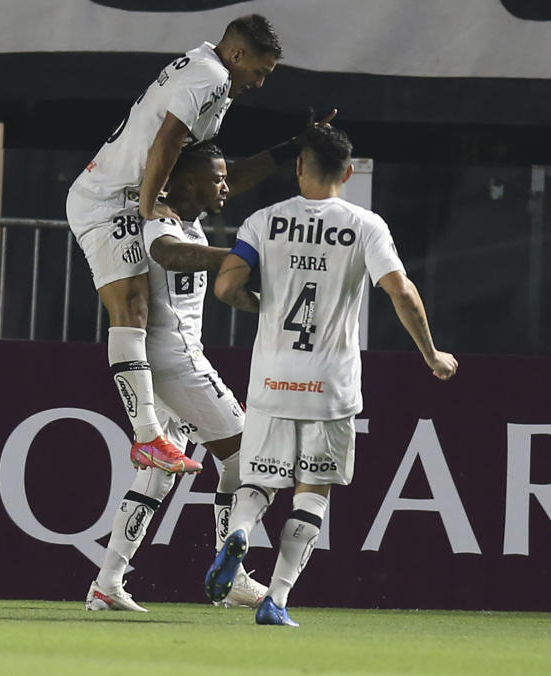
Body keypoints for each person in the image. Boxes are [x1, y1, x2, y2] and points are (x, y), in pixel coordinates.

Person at [204, 124, 458, 626]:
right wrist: (431, 354)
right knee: (313, 489)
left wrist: (261, 305)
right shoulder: (365, 225)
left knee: (259, 480)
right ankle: (275, 599)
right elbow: (400, 292)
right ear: (347, 171)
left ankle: (241, 531)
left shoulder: (264, 221)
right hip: (330, 386)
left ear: (299, 166)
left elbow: (226, 286)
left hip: (272, 379)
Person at [67, 14, 293, 476]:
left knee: (154, 487)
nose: (261, 83)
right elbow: (168, 139)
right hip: (107, 201)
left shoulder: (213, 76)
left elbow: (218, 176)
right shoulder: (209, 76)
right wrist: (150, 206)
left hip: (125, 200)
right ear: (236, 55)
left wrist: (295, 147)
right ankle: (147, 437)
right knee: (131, 308)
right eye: (260, 72)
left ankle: (151, 468)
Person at [86, 142, 267, 612]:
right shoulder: (160, 220)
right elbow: (169, 254)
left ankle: (106, 584)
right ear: (188, 182)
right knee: (246, 459)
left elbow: (240, 177)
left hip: (172, 361)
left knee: (155, 479)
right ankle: (234, 578)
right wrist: (238, 256)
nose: (226, 186)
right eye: (216, 178)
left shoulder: (192, 219)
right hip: (175, 362)